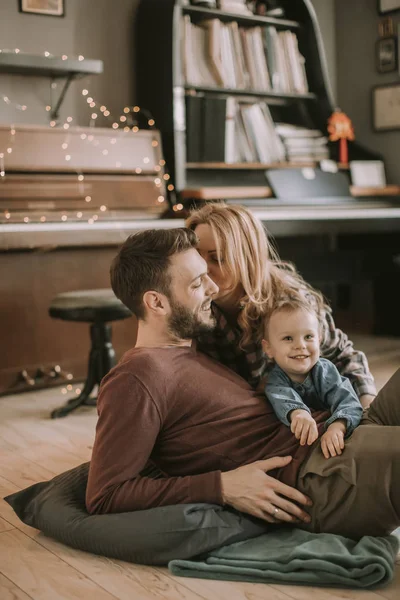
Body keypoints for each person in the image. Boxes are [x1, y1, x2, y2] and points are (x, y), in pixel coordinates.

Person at [86, 227, 400, 540]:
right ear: (156, 303)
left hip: (340, 429)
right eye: (197, 283)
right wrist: (221, 486)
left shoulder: (192, 349)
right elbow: (105, 495)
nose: (212, 287)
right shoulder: (135, 379)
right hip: (319, 474)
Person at [185, 203, 376, 409]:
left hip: (302, 411)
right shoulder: (188, 302)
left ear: (247, 258)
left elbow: (342, 356)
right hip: (237, 410)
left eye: (217, 258)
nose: (202, 268)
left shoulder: (291, 301)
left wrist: (368, 405)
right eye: (196, 256)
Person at [262, 296, 363, 459]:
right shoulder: (275, 380)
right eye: (288, 338)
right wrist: (299, 413)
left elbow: (349, 402)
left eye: (308, 337)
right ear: (268, 348)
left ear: (319, 340)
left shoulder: (325, 370)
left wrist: (337, 427)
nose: (300, 345)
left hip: (336, 432)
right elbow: (283, 398)